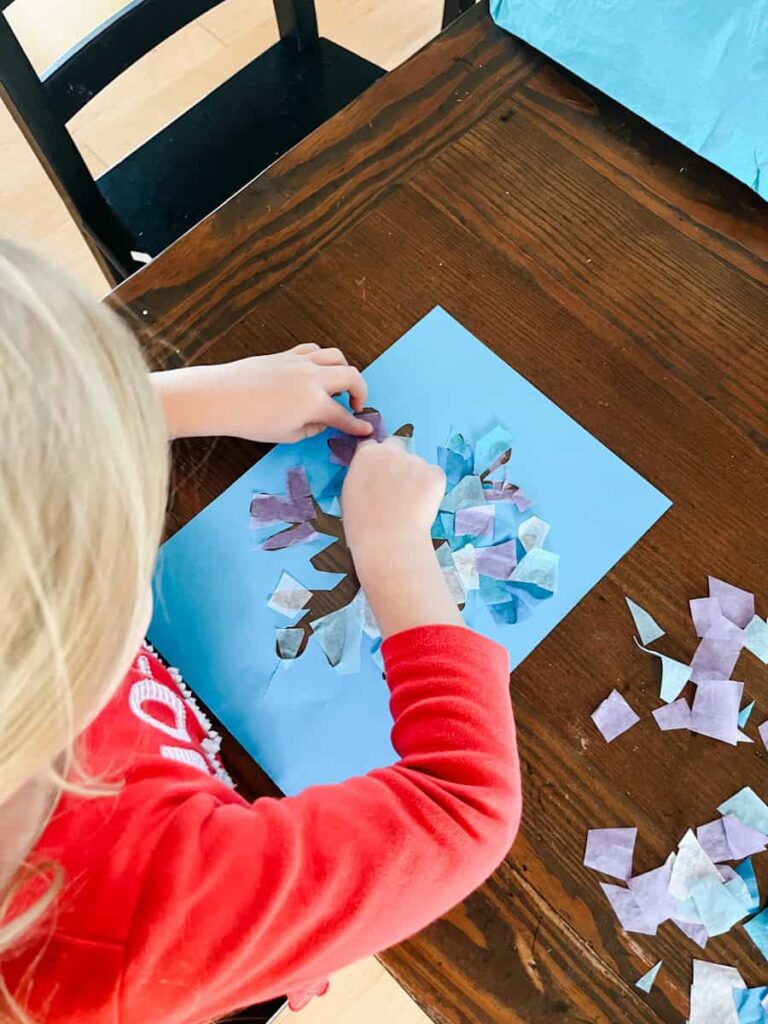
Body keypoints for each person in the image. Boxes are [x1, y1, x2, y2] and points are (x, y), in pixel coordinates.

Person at [0, 238, 521, 1024]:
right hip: (231, 951)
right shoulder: (145, 922)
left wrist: (188, 400)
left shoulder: (26, 657)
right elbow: (465, 806)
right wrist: (393, 552)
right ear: (67, 622)